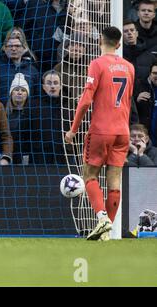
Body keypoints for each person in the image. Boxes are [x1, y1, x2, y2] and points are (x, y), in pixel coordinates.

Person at [65, 26, 135, 241]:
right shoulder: (130, 67)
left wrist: (73, 129)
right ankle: (107, 232)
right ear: (119, 44)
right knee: (114, 181)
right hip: (123, 131)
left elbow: (86, 100)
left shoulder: (97, 64)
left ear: (99, 42)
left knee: (90, 175)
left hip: (101, 129)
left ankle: (102, 217)